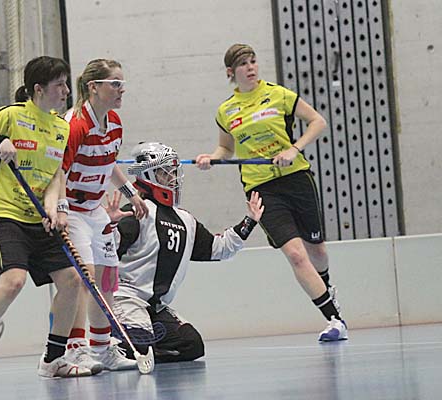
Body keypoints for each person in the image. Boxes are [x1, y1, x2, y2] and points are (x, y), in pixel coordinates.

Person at [0, 56, 101, 385]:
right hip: (3, 213)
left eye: (65, 84)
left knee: (71, 281)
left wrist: (55, 209)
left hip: (38, 217)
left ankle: (53, 360)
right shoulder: (11, 115)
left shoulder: (61, 128)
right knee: (14, 281)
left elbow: (53, 177)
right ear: (38, 89)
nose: (66, 91)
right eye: (59, 85)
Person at [195, 43, 348, 342]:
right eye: (243, 64)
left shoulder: (278, 94)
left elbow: (318, 122)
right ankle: (334, 318)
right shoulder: (226, 111)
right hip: (261, 188)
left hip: (296, 179)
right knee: (296, 255)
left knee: (317, 250)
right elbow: (226, 148)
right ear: (231, 72)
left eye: (253, 61)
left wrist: (294, 149)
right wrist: (211, 158)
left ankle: (327, 288)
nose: (251, 67)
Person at [105, 142, 264, 362]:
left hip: (156, 306)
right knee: (139, 348)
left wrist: (249, 222)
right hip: (127, 299)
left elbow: (219, 249)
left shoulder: (186, 220)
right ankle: (110, 345)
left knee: (192, 345)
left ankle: (146, 349)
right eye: (165, 172)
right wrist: (110, 226)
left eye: (173, 172)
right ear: (148, 175)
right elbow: (109, 251)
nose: (172, 178)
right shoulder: (137, 212)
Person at [60, 59, 149, 371]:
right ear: (93, 87)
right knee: (83, 279)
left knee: (108, 279)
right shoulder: (74, 125)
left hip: (95, 210)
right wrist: (59, 210)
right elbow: (58, 172)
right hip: (71, 211)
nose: (121, 90)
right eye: (115, 83)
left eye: (122, 84)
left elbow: (109, 163)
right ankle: (75, 349)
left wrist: (131, 193)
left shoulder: (114, 123)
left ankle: (101, 348)